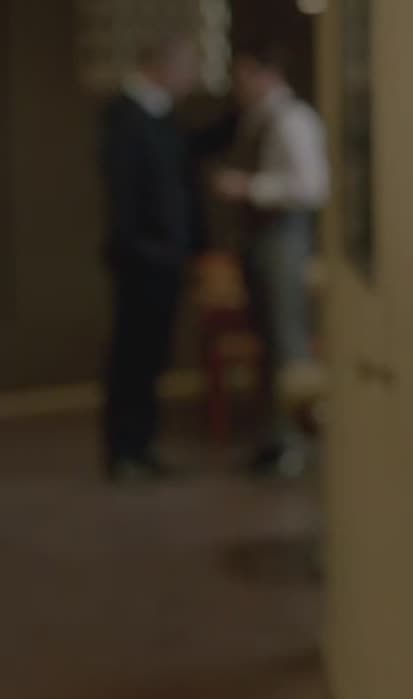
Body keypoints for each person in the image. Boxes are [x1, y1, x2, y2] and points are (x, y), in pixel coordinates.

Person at [212, 38, 329, 478]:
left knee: (287, 339)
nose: (238, 84)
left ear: (267, 73)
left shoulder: (293, 119)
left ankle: (293, 442)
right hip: (260, 238)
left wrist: (250, 187)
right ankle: (274, 437)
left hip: (285, 236)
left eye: (245, 74)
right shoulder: (254, 119)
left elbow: (312, 186)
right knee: (269, 340)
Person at [99, 36, 205, 481]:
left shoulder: (161, 117)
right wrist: (145, 248)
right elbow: (125, 195)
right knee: (132, 355)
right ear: (164, 67)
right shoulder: (126, 116)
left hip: (163, 257)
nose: (193, 80)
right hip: (143, 258)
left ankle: (141, 445)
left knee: (152, 355)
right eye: (188, 69)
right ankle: (124, 451)